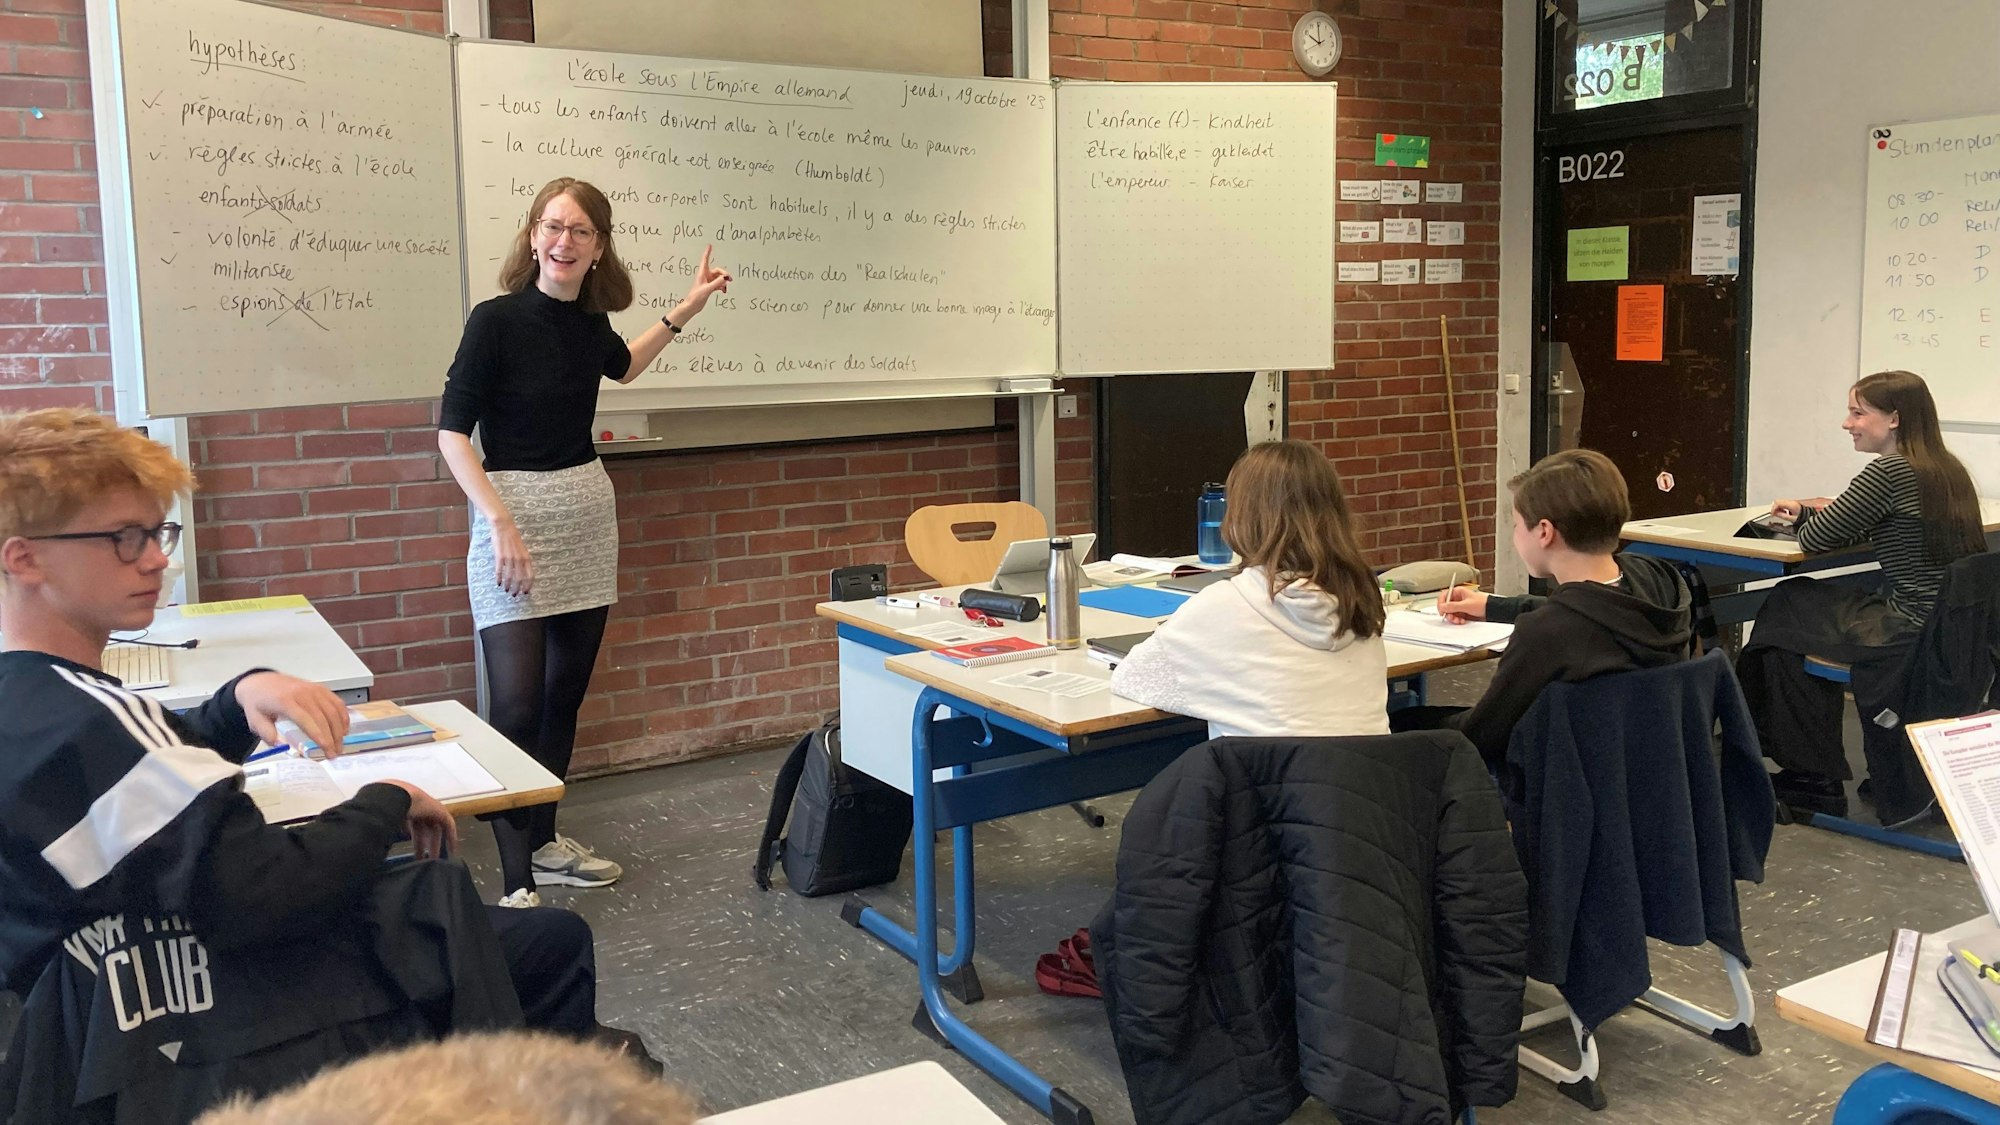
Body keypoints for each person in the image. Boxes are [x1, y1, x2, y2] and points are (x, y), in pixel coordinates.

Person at [0, 409, 638, 1120]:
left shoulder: (36, 699)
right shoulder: (86, 719)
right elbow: (267, 887)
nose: (158, 559)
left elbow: (139, 781)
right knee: (533, 934)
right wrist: (387, 799)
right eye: (125, 538)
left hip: (97, 1013)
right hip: (202, 1004)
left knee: (523, 934)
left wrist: (233, 703)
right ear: (23, 558)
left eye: (158, 533)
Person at [438, 177, 732, 905]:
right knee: (514, 707)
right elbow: (451, 436)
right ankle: (515, 885)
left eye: (578, 231)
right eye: (551, 226)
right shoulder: (495, 321)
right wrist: (499, 520)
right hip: (512, 523)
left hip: (586, 521)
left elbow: (622, 366)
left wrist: (685, 309)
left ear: (599, 246)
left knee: (562, 699)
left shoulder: (588, 323)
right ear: (532, 237)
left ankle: (542, 842)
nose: (562, 242)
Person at [1736, 370, 1987, 821]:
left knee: (1785, 608)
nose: (1847, 423)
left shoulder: (1887, 471)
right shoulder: (1948, 470)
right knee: (1804, 606)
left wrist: (1806, 517)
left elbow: (1816, 539)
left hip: (1904, 627)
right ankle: (1817, 768)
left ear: (1893, 419)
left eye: (1857, 412)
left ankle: (1813, 776)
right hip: (1950, 630)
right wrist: (1822, 513)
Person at [1414, 448, 1694, 769]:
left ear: (1544, 532)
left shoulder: (1545, 635)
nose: (1516, 536)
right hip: (1651, 771)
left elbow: (1482, 737)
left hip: (1562, 785)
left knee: (1406, 724)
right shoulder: (1661, 581)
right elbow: (1590, 609)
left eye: (1517, 525)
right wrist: (1492, 606)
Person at [1110, 439, 1389, 738]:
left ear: (1241, 516)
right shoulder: (1360, 598)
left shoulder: (1224, 604)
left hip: (1262, 781)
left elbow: (1130, 679)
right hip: (1366, 780)